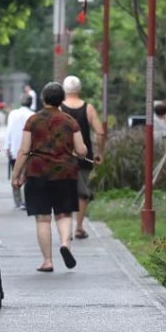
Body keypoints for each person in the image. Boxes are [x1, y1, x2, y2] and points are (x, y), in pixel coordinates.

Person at [10, 82, 87, 272]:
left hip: (38, 173)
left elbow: (24, 150)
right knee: (64, 214)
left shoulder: (33, 120)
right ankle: (64, 245)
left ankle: (47, 261)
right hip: (65, 173)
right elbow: (81, 151)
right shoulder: (70, 121)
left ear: (43, 99)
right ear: (62, 99)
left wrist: (16, 175)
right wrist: (82, 152)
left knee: (43, 219)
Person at [60, 75, 106, 240]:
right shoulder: (88, 108)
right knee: (82, 193)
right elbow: (100, 132)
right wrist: (100, 152)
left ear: (64, 90)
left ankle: (66, 230)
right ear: (79, 89)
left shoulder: (58, 108)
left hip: (62, 158)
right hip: (84, 157)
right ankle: (79, 228)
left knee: (65, 192)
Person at [5, 96, 34, 210]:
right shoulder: (33, 115)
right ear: (31, 103)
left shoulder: (13, 114)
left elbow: (9, 130)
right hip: (28, 150)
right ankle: (27, 200)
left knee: (15, 174)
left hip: (14, 149)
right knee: (27, 175)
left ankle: (18, 201)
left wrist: (7, 146)